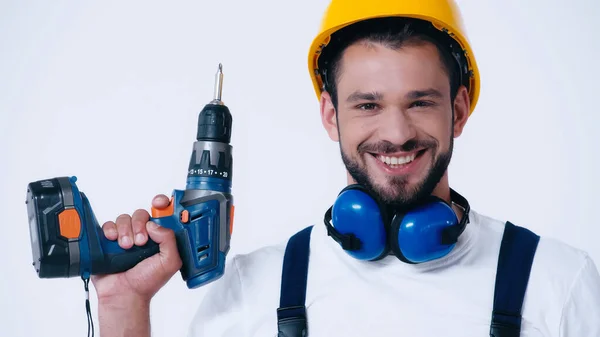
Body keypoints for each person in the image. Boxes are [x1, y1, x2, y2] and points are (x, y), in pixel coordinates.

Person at [92, 0, 600, 336]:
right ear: (331, 115)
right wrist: (122, 305)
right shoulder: (256, 292)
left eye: (420, 102)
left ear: (460, 110)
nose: (397, 133)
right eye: (368, 105)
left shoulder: (557, 283)